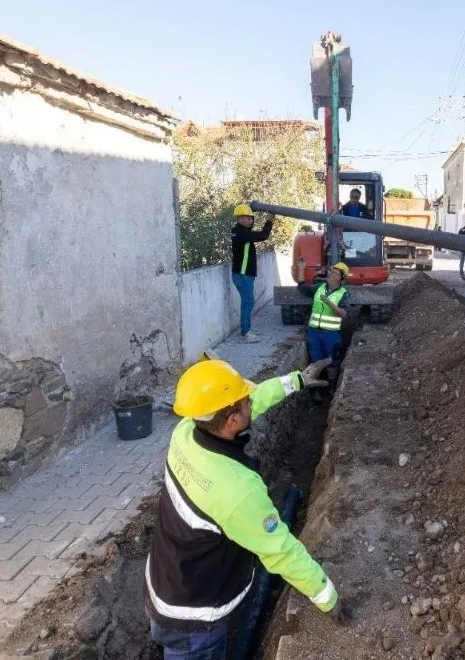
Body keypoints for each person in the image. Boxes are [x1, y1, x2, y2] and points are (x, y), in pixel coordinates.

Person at [146, 357, 349, 659]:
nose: (250, 402)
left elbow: (251, 401)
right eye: (244, 402)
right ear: (232, 422)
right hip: (195, 618)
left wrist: (296, 381)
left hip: (165, 581)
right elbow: (280, 550)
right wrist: (327, 596)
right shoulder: (236, 490)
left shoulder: (185, 434)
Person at [296, 260, 351, 405]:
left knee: (332, 361)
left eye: (335, 272)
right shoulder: (320, 287)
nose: (331, 273)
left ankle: (331, 388)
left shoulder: (343, 294)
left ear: (341, 278)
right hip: (314, 333)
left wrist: (329, 303)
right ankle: (315, 391)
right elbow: (303, 288)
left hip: (331, 334)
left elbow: (343, 314)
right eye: (331, 270)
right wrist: (301, 269)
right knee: (315, 362)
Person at [230, 204, 273, 343]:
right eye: (248, 218)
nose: (251, 221)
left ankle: (247, 329)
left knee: (247, 302)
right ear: (240, 218)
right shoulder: (242, 233)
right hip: (243, 276)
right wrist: (269, 221)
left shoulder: (239, 231)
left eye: (251, 218)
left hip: (243, 275)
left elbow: (255, 235)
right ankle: (245, 333)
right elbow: (263, 235)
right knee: (247, 303)